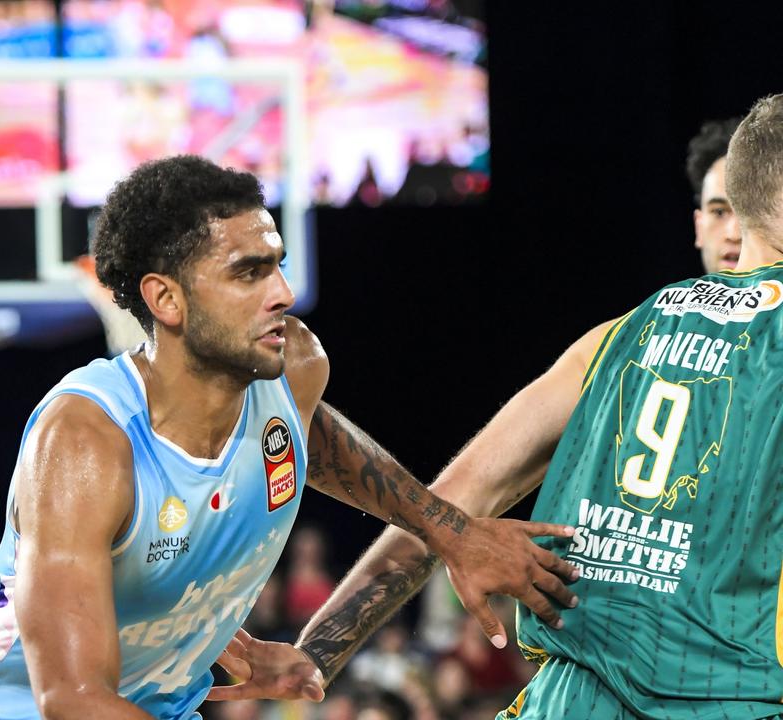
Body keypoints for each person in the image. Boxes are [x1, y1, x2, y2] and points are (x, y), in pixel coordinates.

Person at [0, 155, 577, 720]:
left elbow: (317, 442)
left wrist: (453, 532)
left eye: (276, 263)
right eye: (249, 272)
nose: (282, 291)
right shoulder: (87, 441)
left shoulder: (294, 369)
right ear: (166, 300)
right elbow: (73, 700)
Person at [214, 94, 783, 718]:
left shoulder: (618, 338)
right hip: (729, 701)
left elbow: (449, 505)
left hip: (569, 702)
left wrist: (318, 656)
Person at [687, 117, 744, 273]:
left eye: (750, 214)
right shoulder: (665, 298)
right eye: (719, 212)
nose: (734, 234)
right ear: (699, 226)